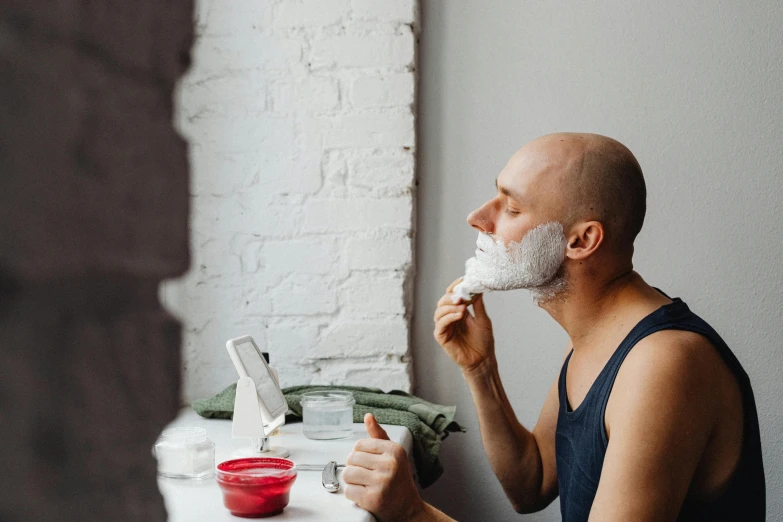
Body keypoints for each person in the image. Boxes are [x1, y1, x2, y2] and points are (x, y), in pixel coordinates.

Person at [341, 133, 765, 521]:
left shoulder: (663, 364)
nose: (477, 217)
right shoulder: (598, 336)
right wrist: (480, 370)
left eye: (510, 207)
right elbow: (532, 484)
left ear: (581, 241)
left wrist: (413, 514)